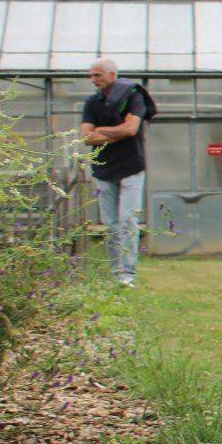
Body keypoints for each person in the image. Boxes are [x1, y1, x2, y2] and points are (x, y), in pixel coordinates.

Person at [79, 59, 148, 288]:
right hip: (103, 169)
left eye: (98, 75)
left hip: (131, 168)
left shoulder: (133, 97)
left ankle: (128, 273)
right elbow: (87, 137)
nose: (93, 79)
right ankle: (116, 271)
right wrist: (116, 132)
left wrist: (101, 131)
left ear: (111, 74)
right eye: (91, 75)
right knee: (111, 225)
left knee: (128, 220)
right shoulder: (92, 102)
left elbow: (131, 129)